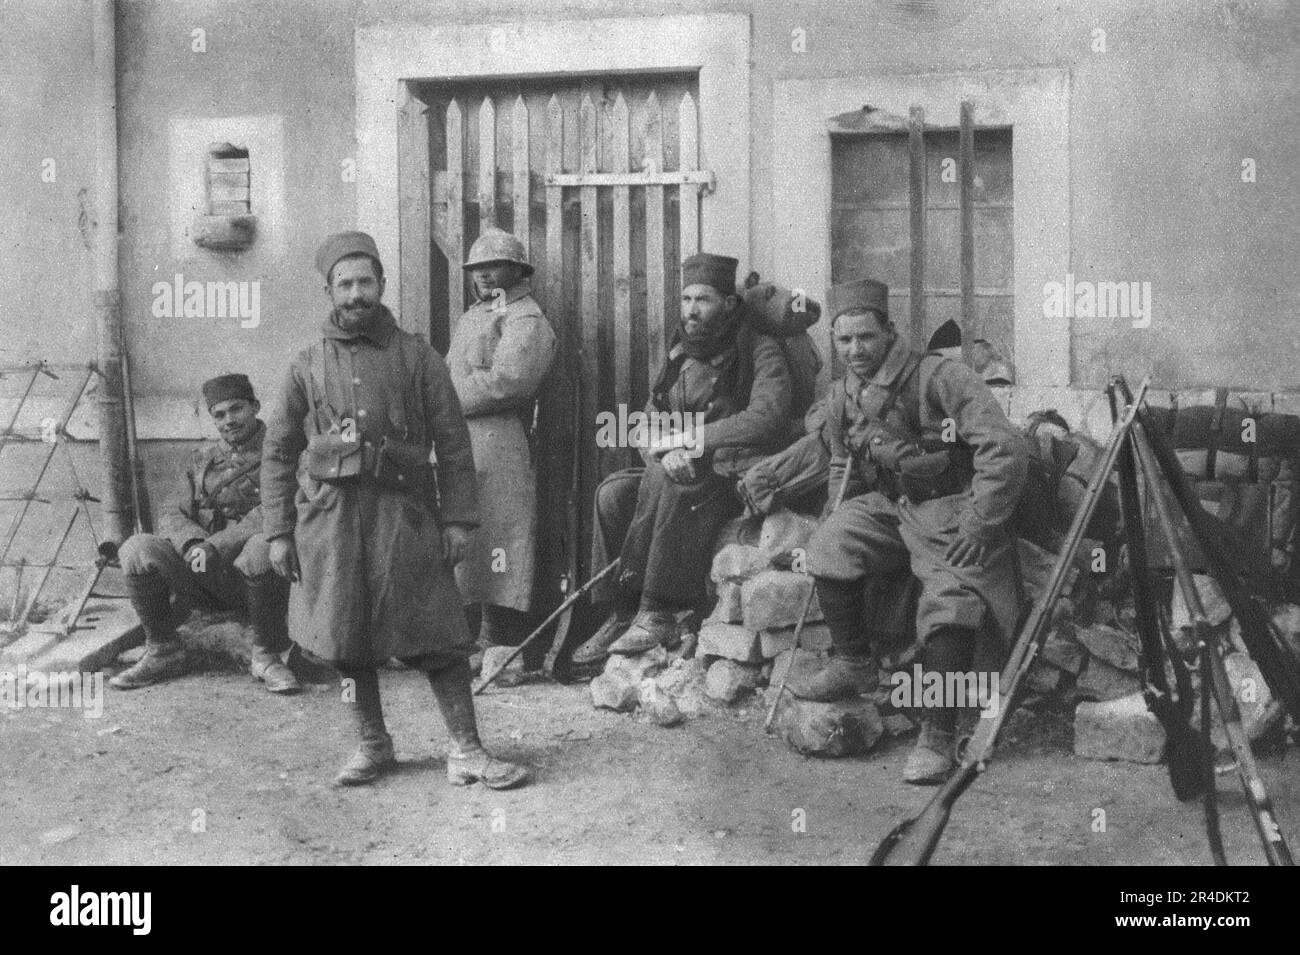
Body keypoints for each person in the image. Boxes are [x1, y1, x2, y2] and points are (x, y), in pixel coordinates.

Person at [261, 230, 528, 789]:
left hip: (402, 515)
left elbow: (454, 444)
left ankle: (466, 749)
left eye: (365, 281)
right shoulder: (306, 364)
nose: (355, 293)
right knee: (342, 637)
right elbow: (279, 451)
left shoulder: (420, 359)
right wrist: (278, 531)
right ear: (330, 291)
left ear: (381, 285)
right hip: (328, 520)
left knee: (437, 633)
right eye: (344, 284)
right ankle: (372, 743)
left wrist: (457, 519)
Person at [790, 278, 1028, 784]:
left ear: (889, 332)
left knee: (951, 598)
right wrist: (837, 509)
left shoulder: (941, 377)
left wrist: (982, 522)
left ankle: (938, 733)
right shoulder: (842, 396)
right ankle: (855, 663)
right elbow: (840, 461)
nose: (855, 350)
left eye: (866, 338)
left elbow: (1003, 448)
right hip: (891, 506)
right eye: (844, 340)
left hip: (951, 507)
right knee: (829, 545)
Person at [571, 253, 794, 665]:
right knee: (612, 492)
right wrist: (663, 448)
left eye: (703, 300)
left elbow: (768, 416)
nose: (692, 309)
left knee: (669, 480)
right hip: (679, 468)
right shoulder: (679, 354)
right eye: (687, 298)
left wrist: (688, 443)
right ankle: (620, 611)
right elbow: (647, 420)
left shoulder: (759, 350)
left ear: (728, 304)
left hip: (732, 474)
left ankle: (658, 607)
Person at [110, 374, 298, 694]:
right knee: (137, 548)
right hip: (201, 569)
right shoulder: (201, 459)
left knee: (262, 547)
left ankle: (265, 655)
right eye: (219, 414)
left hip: (256, 576)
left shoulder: (282, 452)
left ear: (255, 407)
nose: (229, 421)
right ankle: (164, 650)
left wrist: (215, 545)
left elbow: (274, 512)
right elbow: (172, 511)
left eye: (236, 409)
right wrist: (195, 543)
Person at [446, 229, 556, 668]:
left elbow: (509, 382)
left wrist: (445, 399)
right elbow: (451, 367)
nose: (482, 275)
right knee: (465, 534)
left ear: (517, 271)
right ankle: (462, 635)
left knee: (498, 534)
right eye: (476, 269)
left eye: (492, 267)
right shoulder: (475, 315)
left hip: (499, 439)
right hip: (461, 438)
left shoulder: (525, 319)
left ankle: (495, 639)